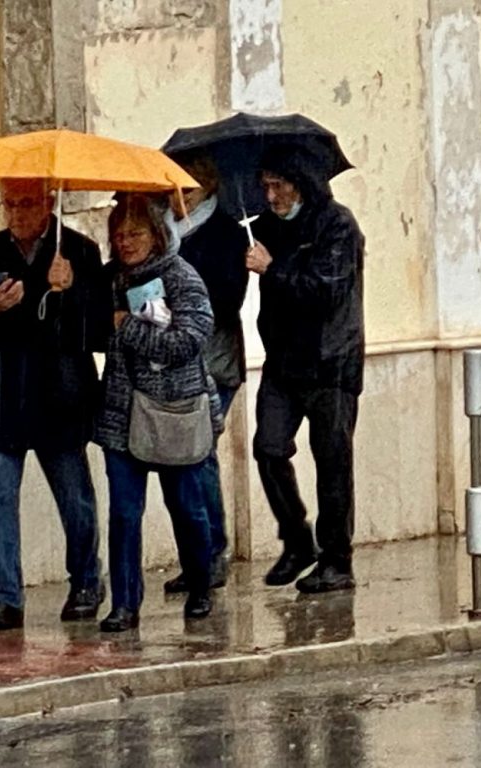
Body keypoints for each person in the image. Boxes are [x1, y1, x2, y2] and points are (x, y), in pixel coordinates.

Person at [0, 178, 107, 630]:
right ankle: (7, 597)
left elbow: (97, 330)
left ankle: (86, 582)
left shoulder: (78, 249)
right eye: (9, 204)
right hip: (2, 395)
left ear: (48, 201)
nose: (16, 213)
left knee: (74, 497)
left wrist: (71, 289)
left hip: (59, 396)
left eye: (26, 203)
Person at [95, 193, 223, 632]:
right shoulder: (110, 279)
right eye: (118, 234)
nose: (125, 242)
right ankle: (125, 605)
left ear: (157, 234)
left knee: (187, 508)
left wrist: (128, 327)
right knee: (125, 514)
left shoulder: (182, 278)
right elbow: (89, 331)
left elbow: (186, 341)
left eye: (135, 233)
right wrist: (63, 289)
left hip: (174, 411)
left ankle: (202, 584)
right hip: (121, 414)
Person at [244, 144, 365, 593]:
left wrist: (271, 270)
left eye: (279, 186)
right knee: (269, 448)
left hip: (331, 361)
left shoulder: (338, 226)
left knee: (333, 463)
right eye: (266, 187)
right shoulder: (266, 229)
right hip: (283, 362)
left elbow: (326, 291)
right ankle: (297, 539)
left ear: (301, 184)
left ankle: (337, 560)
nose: (271, 196)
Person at [161, 151, 250, 594]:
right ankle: (196, 556)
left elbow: (229, 299)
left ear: (209, 187)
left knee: (199, 455)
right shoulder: (162, 232)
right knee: (181, 462)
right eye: (175, 187)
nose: (181, 196)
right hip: (172, 360)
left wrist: (184, 285)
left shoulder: (229, 233)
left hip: (215, 361)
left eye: (190, 187)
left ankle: (213, 552)